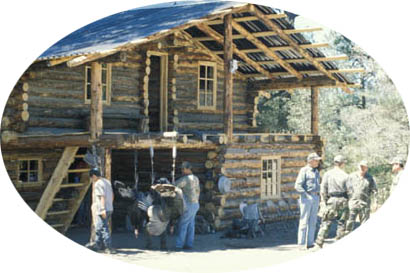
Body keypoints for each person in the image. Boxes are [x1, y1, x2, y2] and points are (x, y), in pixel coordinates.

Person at [315, 155, 349, 248]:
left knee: (326, 221)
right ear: (342, 164)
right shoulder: (346, 175)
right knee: (342, 222)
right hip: (343, 200)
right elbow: (349, 190)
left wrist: (326, 201)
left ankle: (319, 242)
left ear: (335, 163)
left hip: (331, 200)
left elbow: (323, 189)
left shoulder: (327, 174)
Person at [295, 152, 321, 250]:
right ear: (310, 161)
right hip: (307, 198)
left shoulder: (316, 171)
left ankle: (310, 243)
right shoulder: (304, 170)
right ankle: (301, 244)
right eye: (316, 160)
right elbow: (297, 185)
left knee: (313, 221)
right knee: (304, 221)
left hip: (316, 197)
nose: (318, 162)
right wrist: (306, 195)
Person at [86, 168, 116, 254]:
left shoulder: (98, 184)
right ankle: (97, 245)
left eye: (92, 177)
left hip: (102, 209)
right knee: (98, 228)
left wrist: (103, 209)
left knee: (104, 228)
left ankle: (108, 247)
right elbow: (112, 194)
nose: (92, 179)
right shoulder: (107, 181)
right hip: (109, 208)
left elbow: (102, 196)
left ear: (94, 176)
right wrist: (110, 204)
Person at [345, 160, 377, 234]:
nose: (362, 168)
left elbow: (374, 191)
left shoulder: (370, 178)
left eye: (364, 167)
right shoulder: (351, 176)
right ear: (358, 166)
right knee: (349, 223)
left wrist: (375, 202)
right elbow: (346, 188)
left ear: (367, 168)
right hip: (353, 203)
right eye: (361, 166)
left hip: (364, 204)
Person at [174, 161, 200, 251]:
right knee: (191, 225)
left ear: (187, 169)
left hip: (189, 204)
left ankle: (179, 245)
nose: (182, 171)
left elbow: (174, 185)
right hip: (196, 204)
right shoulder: (196, 178)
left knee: (183, 224)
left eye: (183, 169)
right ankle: (189, 244)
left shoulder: (185, 179)